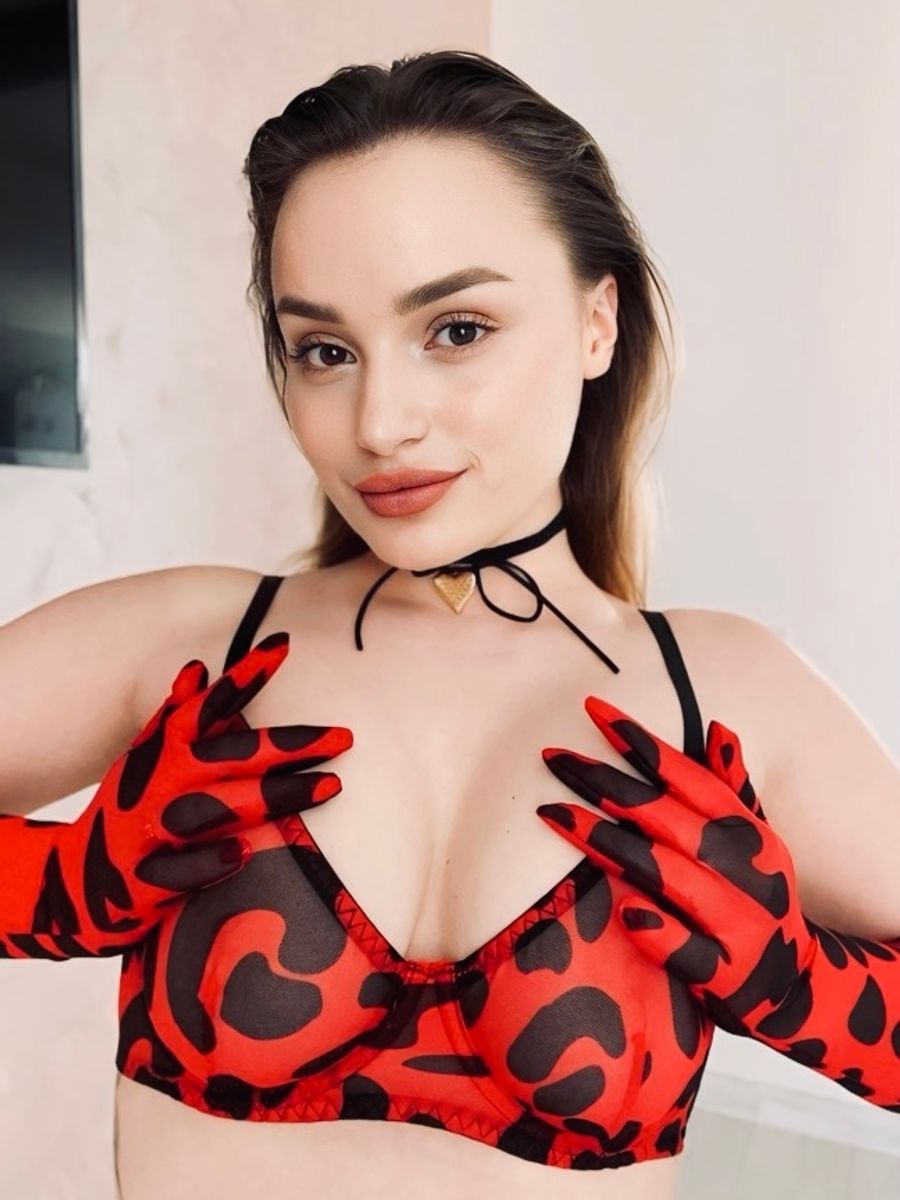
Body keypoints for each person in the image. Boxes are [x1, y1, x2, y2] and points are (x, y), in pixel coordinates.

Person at [1, 49, 898, 1200]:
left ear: (597, 322)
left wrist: (799, 983)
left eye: (458, 329)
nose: (379, 421)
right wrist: (66, 885)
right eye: (325, 351)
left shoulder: (722, 697)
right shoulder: (198, 649)